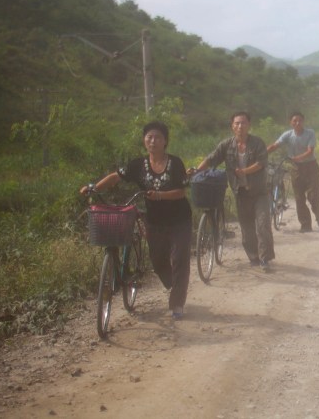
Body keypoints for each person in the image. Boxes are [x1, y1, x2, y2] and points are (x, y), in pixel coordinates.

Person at [80, 121, 191, 320]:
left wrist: (159, 195)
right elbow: (116, 177)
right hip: (155, 220)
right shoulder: (138, 164)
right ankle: (176, 284)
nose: (153, 141)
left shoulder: (175, 163)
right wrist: (94, 188)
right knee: (157, 262)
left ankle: (177, 304)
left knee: (180, 260)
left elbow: (181, 192)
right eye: (149, 137)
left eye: (157, 137)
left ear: (165, 141)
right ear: (144, 141)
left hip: (179, 219)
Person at [191, 111, 275, 271]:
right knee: (247, 228)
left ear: (249, 125)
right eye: (237, 123)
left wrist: (245, 171)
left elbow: (261, 163)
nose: (240, 126)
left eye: (243, 123)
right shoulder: (226, 145)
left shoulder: (258, 143)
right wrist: (196, 171)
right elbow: (211, 159)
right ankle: (254, 257)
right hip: (240, 192)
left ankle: (265, 259)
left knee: (263, 225)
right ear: (232, 126)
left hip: (259, 192)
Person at [267, 111, 319, 232]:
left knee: (313, 196)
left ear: (303, 122)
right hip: (296, 169)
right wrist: (262, 153)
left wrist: (297, 158)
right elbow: (275, 145)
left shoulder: (310, 133)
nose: (297, 123)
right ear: (291, 123)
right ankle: (305, 225)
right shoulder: (287, 135)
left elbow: (310, 151)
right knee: (299, 198)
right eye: (294, 121)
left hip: (311, 167)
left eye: (300, 120)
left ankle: (318, 214)